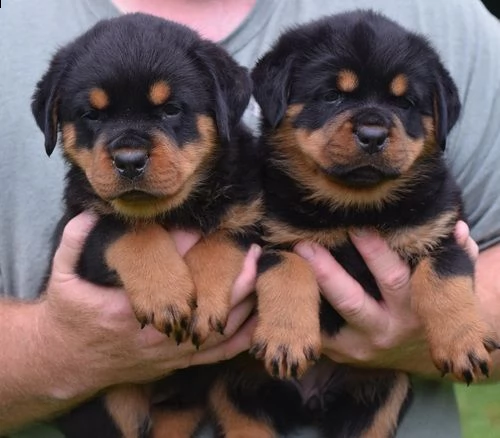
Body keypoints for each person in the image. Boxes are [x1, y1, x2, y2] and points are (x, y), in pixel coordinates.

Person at [0, 0, 499, 437]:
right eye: (93, 116)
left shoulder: (448, 19)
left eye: (170, 111)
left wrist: (438, 326)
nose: (130, 152)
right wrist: (58, 351)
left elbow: (250, 239)